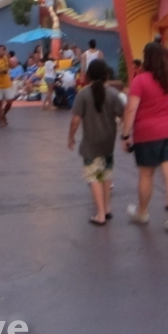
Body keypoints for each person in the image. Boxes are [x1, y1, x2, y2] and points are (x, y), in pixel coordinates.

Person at [121, 42, 168, 235]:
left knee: (146, 174)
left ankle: (142, 212)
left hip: (147, 132)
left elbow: (131, 108)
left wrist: (125, 134)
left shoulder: (140, 80)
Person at [68, 58, 124, 226]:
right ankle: (106, 208)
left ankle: (99, 214)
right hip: (108, 142)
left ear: (89, 75)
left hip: (90, 142)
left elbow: (76, 120)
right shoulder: (114, 94)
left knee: (94, 176)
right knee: (105, 174)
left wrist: (70, 137)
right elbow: (124, 114)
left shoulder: (83, 94)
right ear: (107, 75)